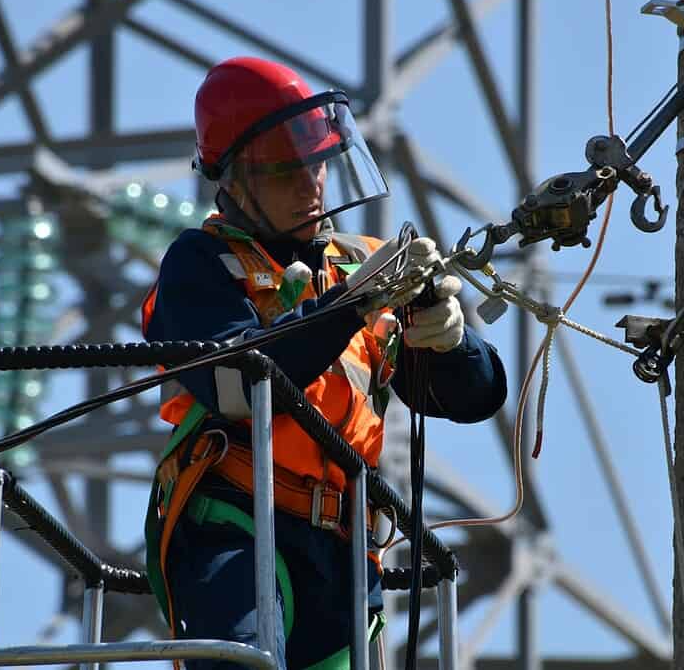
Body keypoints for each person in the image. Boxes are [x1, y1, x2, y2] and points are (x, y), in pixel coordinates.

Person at [142, 56, 507, 669]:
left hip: (343, 551)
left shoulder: (356, 265)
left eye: (316, 166)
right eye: (288, 172)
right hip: (239, 518)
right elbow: (236, 388)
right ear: (235, 182)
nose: (310, 185)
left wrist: (451, 339)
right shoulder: (202, 263)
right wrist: (351, 306)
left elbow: (474, 397)